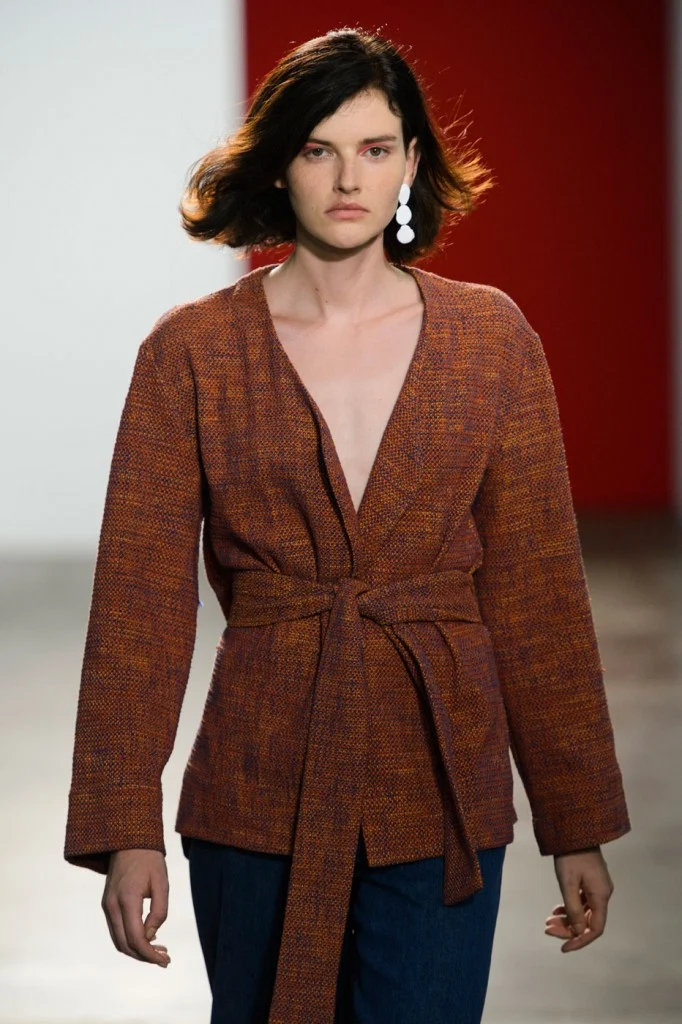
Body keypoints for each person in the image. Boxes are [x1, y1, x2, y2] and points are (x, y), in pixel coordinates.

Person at [64, 26, 631, 1024]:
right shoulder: (192, 353)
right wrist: (126, 826)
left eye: (374, 148)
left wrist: (574, 820)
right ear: (278, 165)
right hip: (258, 783)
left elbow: (536, 594)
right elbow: (137, 607)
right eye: (317, 148)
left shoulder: (490, 340)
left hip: (442, 782)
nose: (346, 178)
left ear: (412, 162)